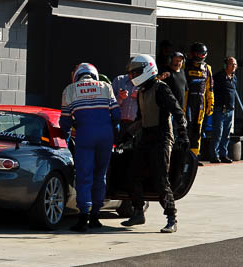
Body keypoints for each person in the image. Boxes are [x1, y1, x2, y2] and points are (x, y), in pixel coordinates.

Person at [120, 54, 189, 233]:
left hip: (162, 137)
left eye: (135, 72)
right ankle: (138, 212)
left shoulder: (161, 89)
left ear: (147, 70)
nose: (132, 76)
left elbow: (178, 112)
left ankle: (172, 218)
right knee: (133, 174)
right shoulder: (141, 92)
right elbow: (140, 119)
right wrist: (126, 136)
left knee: (161, 179)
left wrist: (183, 133)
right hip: (146, 137)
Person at [59, 63, 120, 232]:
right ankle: (96, 217)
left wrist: (67, 132)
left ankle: (83, 217)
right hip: (106, 136)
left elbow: (64, 121)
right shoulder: (106, 87)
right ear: (95, 74)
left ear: (77, 75)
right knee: (100, 175)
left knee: (84, 176)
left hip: (85, 135)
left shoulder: (69, 90)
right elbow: (116, 115)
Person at [184, 42, 214, 165]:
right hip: (187, 102)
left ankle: (194, 157)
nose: (201, 56)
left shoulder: (207, 68)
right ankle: (184, 155)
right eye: (198, 53)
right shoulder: (185, 66)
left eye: (203, 54)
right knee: (187, 129)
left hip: (200, 103)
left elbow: (210, 88)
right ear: (192, 54)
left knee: (197, 130)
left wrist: (211, 103)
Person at [209, 57, 238, 164]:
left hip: (230, 110)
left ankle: (223, 154)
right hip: (220, 109)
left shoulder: (234, 78)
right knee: (218, 133)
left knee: (226, 134)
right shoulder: (218, 77)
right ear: (226, 65)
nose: (234, 66)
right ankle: (214, 155)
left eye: (235, 64)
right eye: (231, 64)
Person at [112, 60, 139, 135]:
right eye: (131, 73)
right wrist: (120, 97)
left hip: (136, 124)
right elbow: (109, 104)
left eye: (136, 73)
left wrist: (140, 96)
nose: (133, 76)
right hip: (119, 123)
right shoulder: (118, 80)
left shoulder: (144, 83)